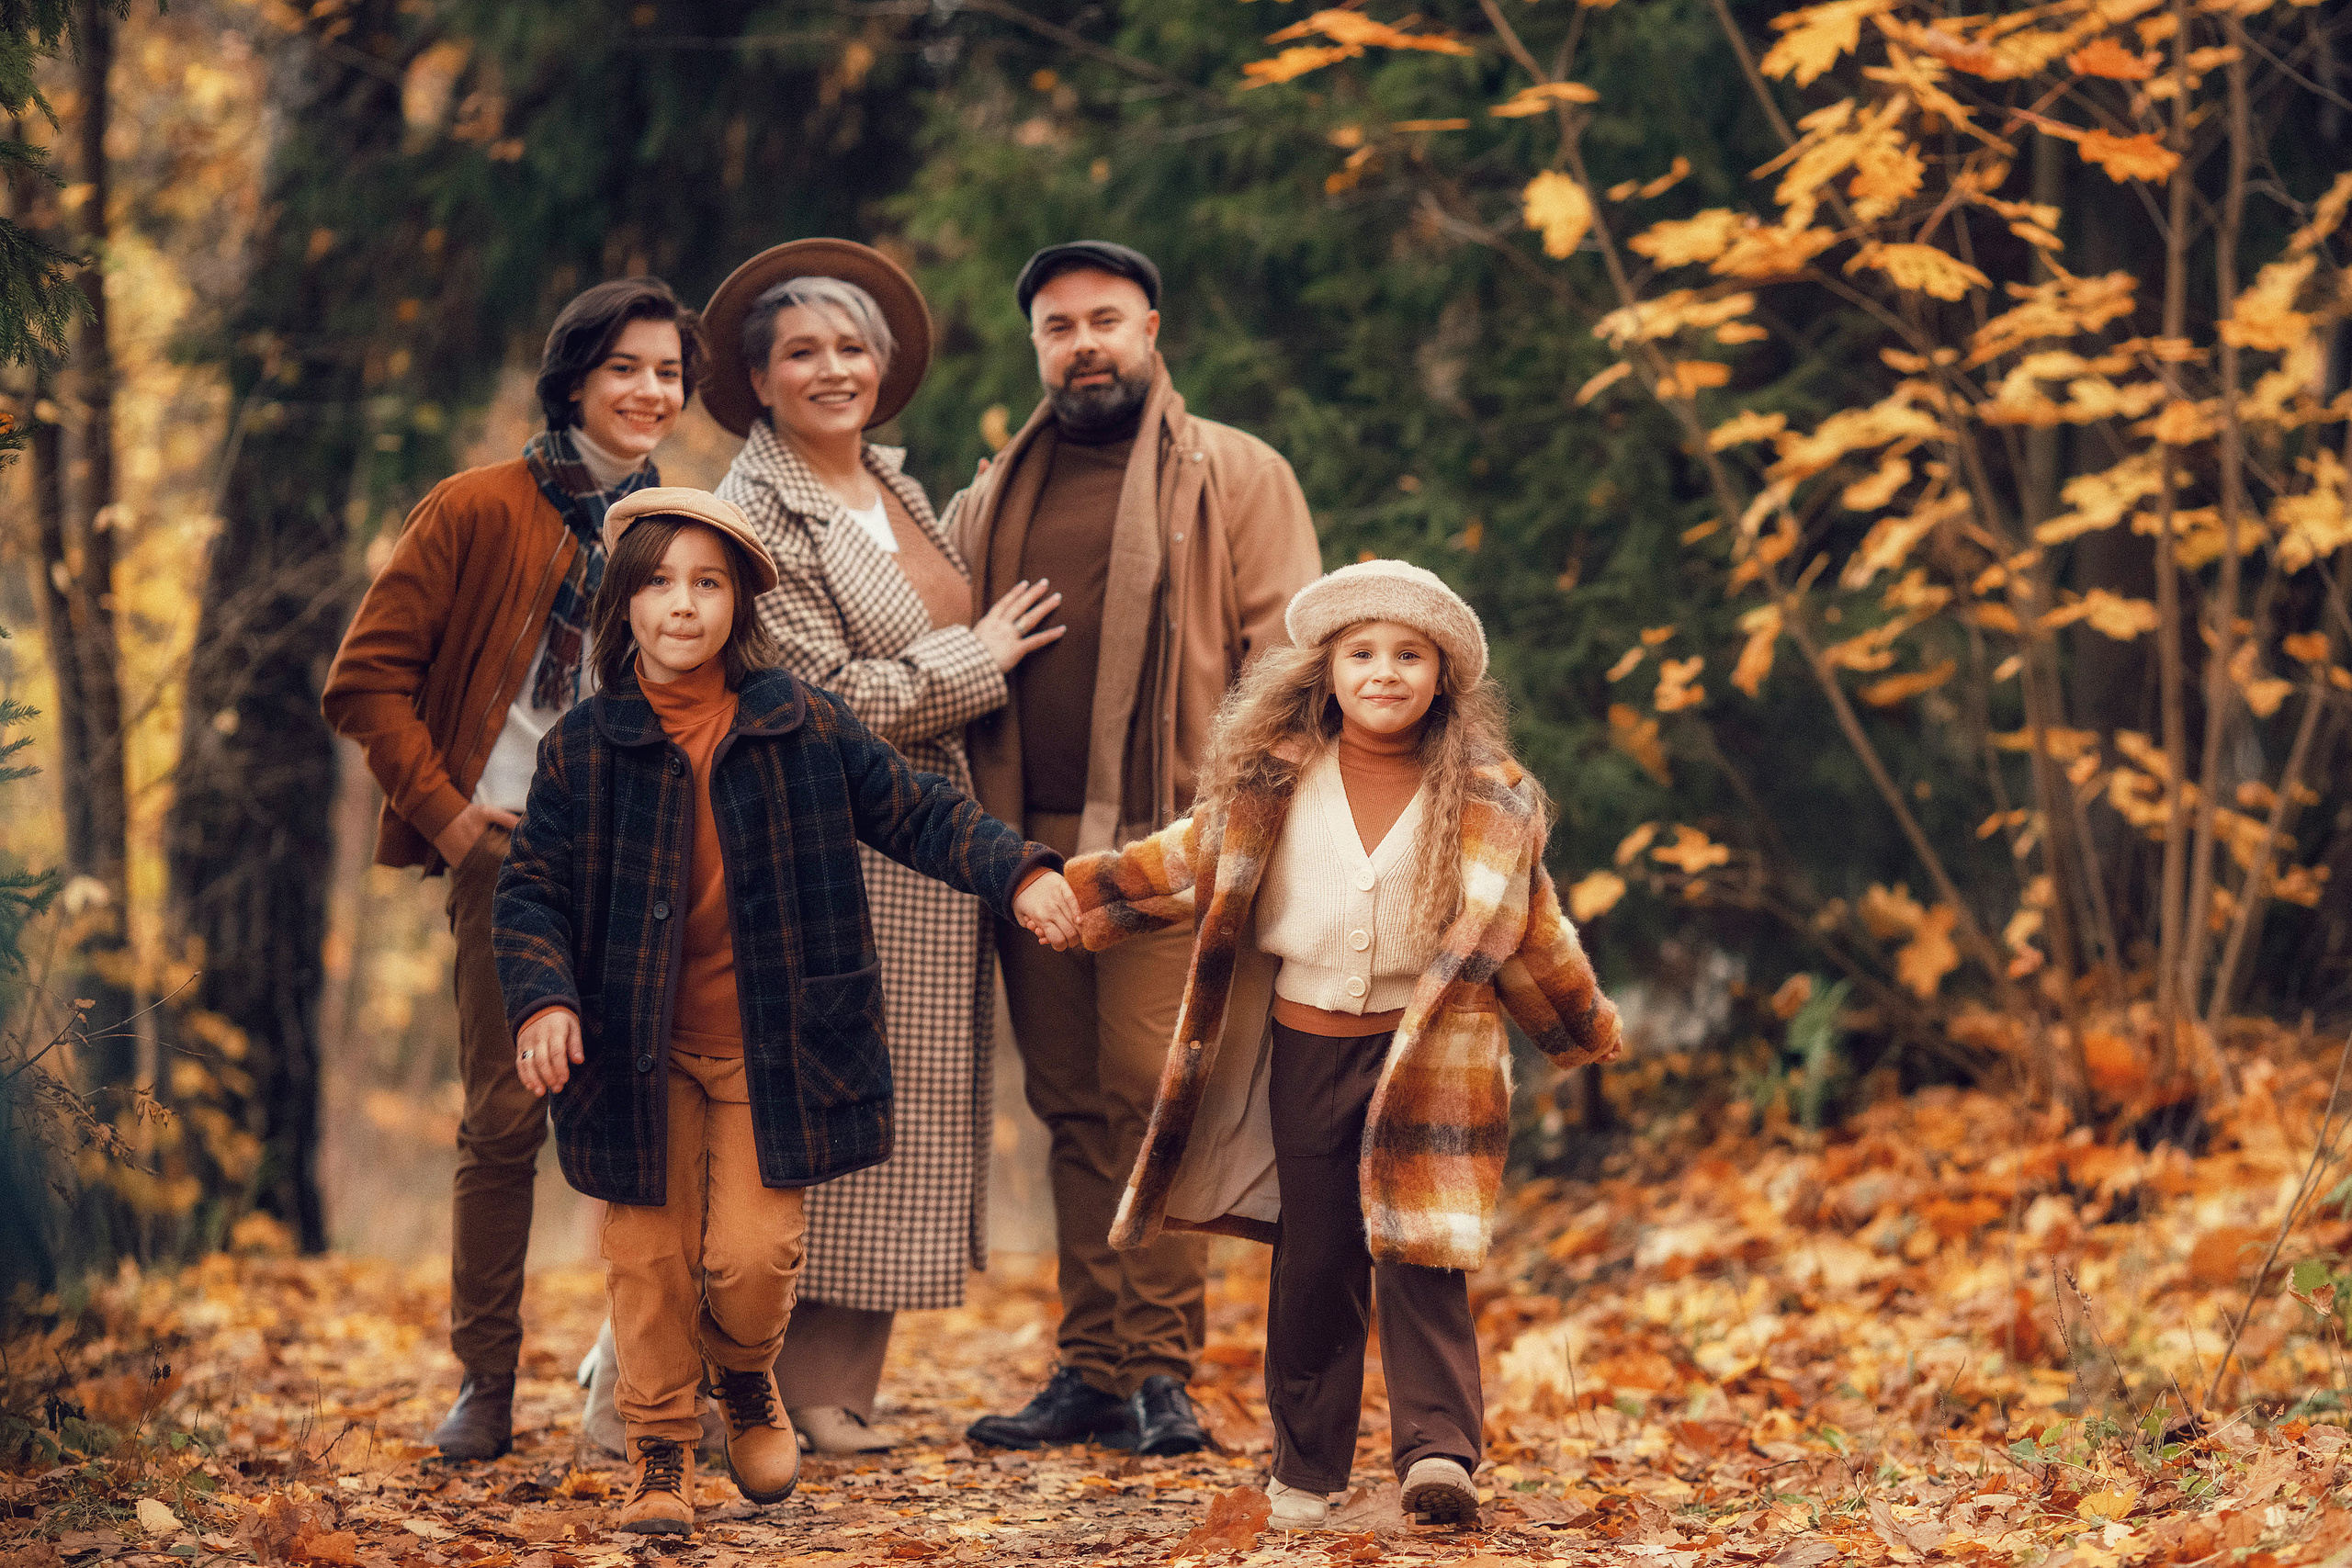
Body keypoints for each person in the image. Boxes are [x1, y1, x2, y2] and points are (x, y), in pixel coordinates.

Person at [493, 486, 1081, 1534]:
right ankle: (661, 1456)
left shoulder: (797, 724)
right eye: (661, 584)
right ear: (624, 605)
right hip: (633, 1058)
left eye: (708, 585)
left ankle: (748, 1374)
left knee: (752, 1262)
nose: (684, 606)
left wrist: (1020, 874)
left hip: (773, 1050)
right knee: (648, 1260)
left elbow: (919, 809)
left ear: (739, 605)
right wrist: (544, 1002)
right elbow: (530, 888)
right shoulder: (584, 748)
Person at [1060, 560, 1623, 1528]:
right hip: (1307, 1047)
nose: (1384, 673)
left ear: (1443, 677)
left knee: (1423, 1252)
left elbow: (1527, 927)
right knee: (1315, 1256)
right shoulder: (1271, 777)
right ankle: (1307, 1467)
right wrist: (1080, 899)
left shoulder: (1492, 797)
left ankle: (1438, 1455)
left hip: (1435, 1056)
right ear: (1323, 671)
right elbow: (1186, 861)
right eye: (1361, 653)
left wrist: (1579, 1028)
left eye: (1409, 655)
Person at [946, 241, 1321, 1456]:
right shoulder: (990, 496)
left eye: (1105, 319)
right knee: (1070, 1108)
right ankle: (1093, 1368)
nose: (1083, 343)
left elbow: (1288, 660)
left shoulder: (1235, 472)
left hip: (1171, 848)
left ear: (1152, 328)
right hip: (1032, 854)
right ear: (1038, 348)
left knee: (1156, 1097)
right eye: (1059, 327)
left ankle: (1160, 1365)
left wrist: (1228, 826)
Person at [322, 277, 698, 1461]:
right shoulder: (476, 508)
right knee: (501, 1120)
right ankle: (485, 1382)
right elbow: (362, 680)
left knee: (648, 1108)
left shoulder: (676, 524)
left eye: (668, 374)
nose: (649, 392)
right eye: (626, 368)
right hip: (505, 847)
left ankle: (628, 1372)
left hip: (641, 849)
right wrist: (446, 817)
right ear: (575, 376)